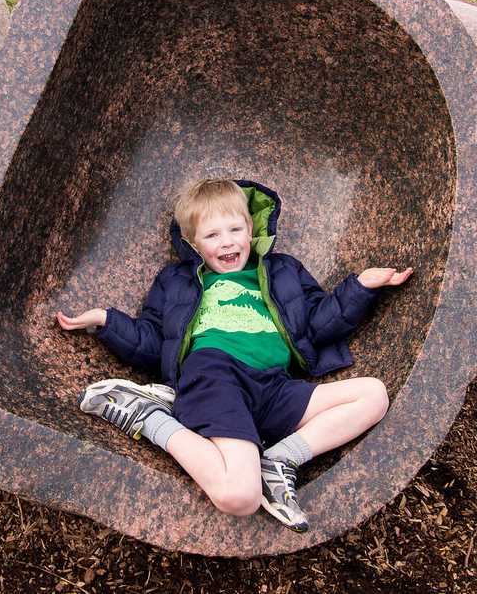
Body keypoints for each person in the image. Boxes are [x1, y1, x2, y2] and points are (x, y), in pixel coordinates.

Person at [57, 178, 412, 531]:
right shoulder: (178, 280)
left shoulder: (283, 270)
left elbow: (317, 324)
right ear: (194, 244)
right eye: (212, 235)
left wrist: (361, 286)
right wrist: (106, 322)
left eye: (235, 229)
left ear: (251, 230)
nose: (227, 241)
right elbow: (154, 342)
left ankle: (279, 460)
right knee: (240, 496)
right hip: (215, 375)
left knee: (373, 395)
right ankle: (149, 417)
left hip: (274, 387)